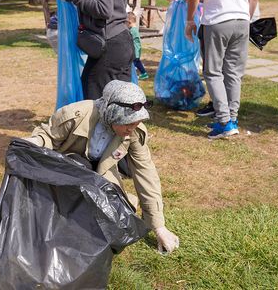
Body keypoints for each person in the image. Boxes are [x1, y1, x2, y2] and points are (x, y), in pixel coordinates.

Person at [24, 80, 180, 254]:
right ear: (111, 114)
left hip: (101, 174)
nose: (132, 128)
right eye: (127, 123)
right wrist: (35, 141)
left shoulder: (135, 130)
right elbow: (48, 136)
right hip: (68, 169)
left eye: (136, 122)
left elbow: (145, 172)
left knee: (119, 217)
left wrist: (159, 227)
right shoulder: (75, 114)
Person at [185, 0, 261, 139]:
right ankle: (232, 118)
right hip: (241, 18)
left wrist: (190, 20)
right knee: (234, 73)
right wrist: (246, 15)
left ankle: (225, 121)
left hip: (216, 19)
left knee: (213, 72)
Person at [127, 12, 148, 80]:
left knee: (134, 63)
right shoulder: (134, 29)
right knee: (137, 63)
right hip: (136, 51)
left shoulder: (133, 30)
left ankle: (140, 74)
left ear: (129, 22)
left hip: (135, 51)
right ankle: (144, 73)